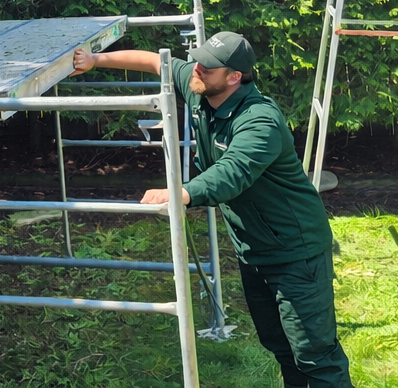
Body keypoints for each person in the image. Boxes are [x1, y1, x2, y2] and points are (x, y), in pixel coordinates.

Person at [70, 32, 354, 388]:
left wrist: (182, 192)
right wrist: (97, 61)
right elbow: (158, 63)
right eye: (199, 61)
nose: (197, 69)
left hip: (297, 254)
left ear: (234, 76)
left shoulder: (259, 121)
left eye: (208, 66)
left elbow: (232, 172)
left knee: (316, 357)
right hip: (255, 252)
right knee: (282, 348)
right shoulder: (202, 87)